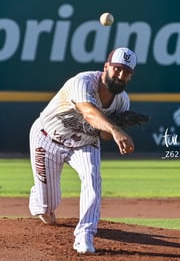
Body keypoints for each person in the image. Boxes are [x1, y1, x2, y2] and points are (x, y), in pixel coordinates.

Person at [28, 47, 137, 254]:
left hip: (85, 143)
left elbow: (103, 135)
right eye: (117, 69)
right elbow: (88, 112)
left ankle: (85, 234)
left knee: (92, 177)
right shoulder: (83, 82)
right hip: (47, 138)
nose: (121, 75)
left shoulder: (122, 101)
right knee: (47, 211)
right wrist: (116, 129)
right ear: (106, 67)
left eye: (127, 72)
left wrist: (116, 127)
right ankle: (40, 199)